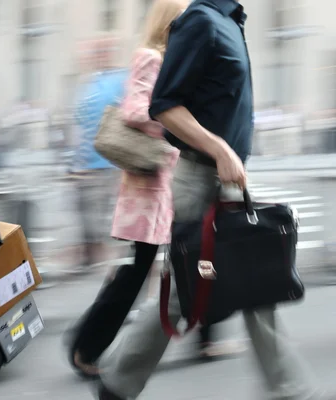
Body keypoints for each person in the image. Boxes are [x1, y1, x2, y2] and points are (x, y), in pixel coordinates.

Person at [96, 1, 332, 399]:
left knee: (255, 284)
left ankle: (289, 390)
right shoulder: (199, 21)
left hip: (225, 178)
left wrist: (230, 158)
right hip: (200, 175)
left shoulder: (229, 22)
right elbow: (165, 105)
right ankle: (117, 383)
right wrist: (220, 149)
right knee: (187, 293)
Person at [67, 0, 241, 380]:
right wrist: (173, 120)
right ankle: (86, 346)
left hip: (172, 180)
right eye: (184, 20)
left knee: (201, 257)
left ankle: (208, 338)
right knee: (137, 268)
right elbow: (135, 110)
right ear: (170, 23)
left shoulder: (176, 58)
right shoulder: (151, 56)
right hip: (151, 183)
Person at [71, 37, 125, 270]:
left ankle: (112, 262)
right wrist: (75, 163)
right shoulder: (88, 84)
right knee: (86, 213)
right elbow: (80, 123)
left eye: (103, 51)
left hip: (112, 162)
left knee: (108, 216)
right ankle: (91, 257)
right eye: (96, 52)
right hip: (89, 163)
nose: (99, 56)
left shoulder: (121, 79)